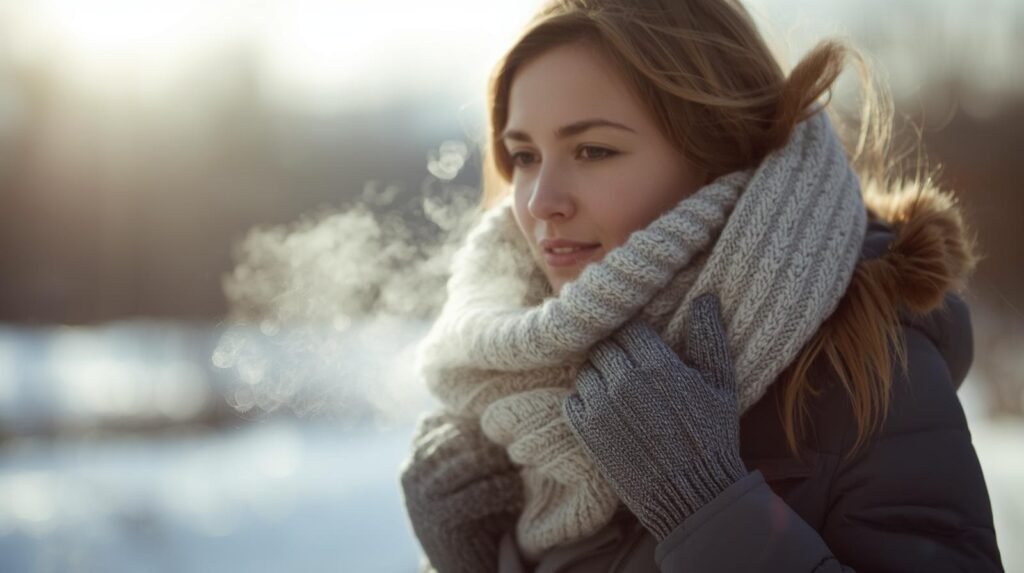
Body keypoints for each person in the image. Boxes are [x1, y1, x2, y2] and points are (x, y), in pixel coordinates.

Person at [398, 0, 1004, 571]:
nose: (540, 202)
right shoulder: (509, 391)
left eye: (593, 150)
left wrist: (708, 507)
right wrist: (472, 559)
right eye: (524, 156)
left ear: (715, 152)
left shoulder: (862, 361)